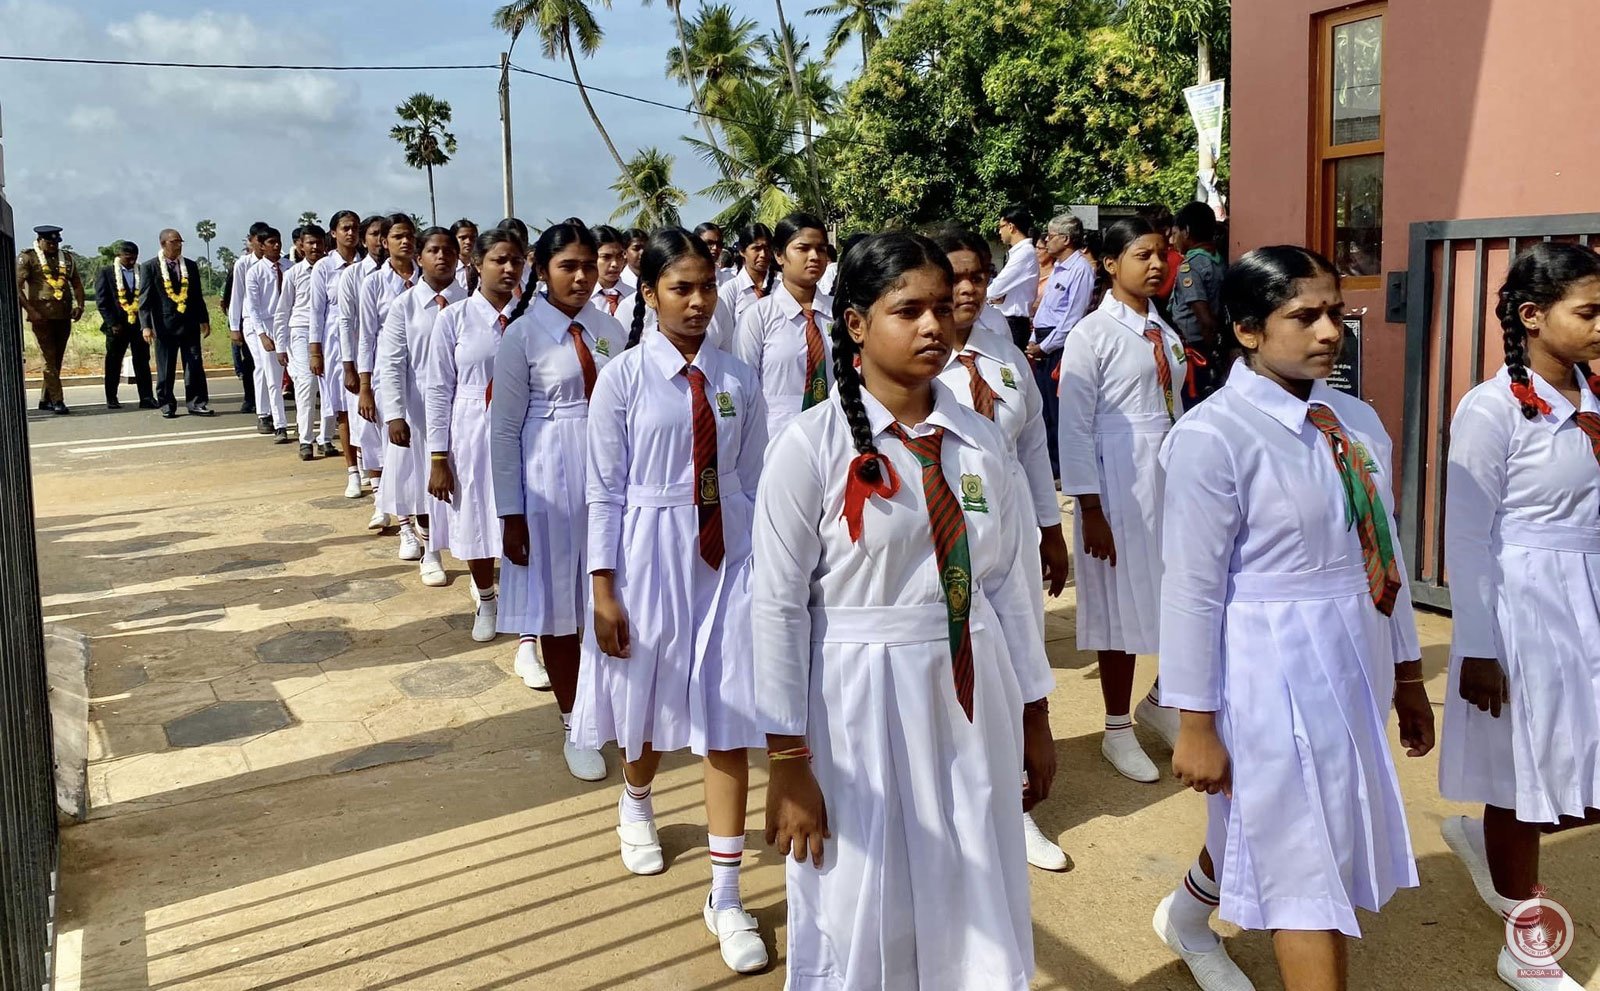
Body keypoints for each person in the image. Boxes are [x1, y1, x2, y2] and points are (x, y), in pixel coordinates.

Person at [754, 232, 1055, 990]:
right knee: (867, 893)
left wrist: (1034, 712)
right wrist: (787, 760)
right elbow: (779, 608)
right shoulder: (809, 446)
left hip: (971, 691)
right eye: (908, 310)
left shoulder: (979, 440)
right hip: (858, 699)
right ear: (856, 324)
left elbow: (1006, 586)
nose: (933, 326)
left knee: (974, 875)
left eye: (941, 309)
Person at [1156, 245, 1433, 991]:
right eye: (1304, 316)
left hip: (1352, 657)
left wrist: (1408, 673)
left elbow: (1383, 552)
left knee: (1294, 824)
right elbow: (1191, 591)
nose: (1330, 332)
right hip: (1265, 669)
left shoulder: (1354, 419)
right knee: (1303, 864)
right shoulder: (1214, 437)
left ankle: (1186, 914)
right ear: (1248, 330)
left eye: (1335, 312)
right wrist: (1194, 721)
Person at [572, 228, 769, 976]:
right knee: (646, 696)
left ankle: (727, 893)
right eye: (680, 288)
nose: (696, 301)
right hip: (648, 552)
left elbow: (755, 476)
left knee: (728, 712)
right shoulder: (623, 378)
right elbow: (603, 490)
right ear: (650, 293)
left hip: (726, 556)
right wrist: (602, 585)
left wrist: (766, 565)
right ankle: (637, 795)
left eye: (706, 286)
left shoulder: (736, 377)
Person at [1438, 242, 1600, 991]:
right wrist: (1476, 645)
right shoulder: (1492, 408)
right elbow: (1468, 536)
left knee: (1578, 762)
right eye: (1589, 311)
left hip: (1587, 596)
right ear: (1532, 316)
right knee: (1523, 775)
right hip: (1524, 605)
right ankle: (1525, 940)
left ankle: (1485, 840)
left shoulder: (1593, 401)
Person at [931, 225, 1073, 872]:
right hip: (945, 522)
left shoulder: (1004, 351)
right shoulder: (918, 357)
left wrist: (1050, 527)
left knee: (1015, 653)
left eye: (978, 275)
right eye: (955, 276)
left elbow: (1033, 443)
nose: (968, 288)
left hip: (1009, 519)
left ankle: (1013, 807)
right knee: (951, 664)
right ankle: (950, 803)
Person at [491, 222, 620, 782]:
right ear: (541, 271)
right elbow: (503, 430)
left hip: (609, 478)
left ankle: (613, 705)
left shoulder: (609, 329)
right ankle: (574, 722)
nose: (582, 277)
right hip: (549, 484)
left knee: (609, 595)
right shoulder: (523, 336)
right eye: (568, 266)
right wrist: (511, 512)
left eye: (589, 265)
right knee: (559, 608)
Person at [1057, 217, 1184, 783]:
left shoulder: (1163, 330)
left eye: (1161, 254)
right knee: (1118, 603)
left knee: (1179, 594)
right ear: (1110, 265)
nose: (1156, 264)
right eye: (1142, 255)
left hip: (1166, 478)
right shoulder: (1092, 335)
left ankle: (1162, 700)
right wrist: (1090, 508)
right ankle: (1116, 728)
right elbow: (1074, 427)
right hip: (1117, 485)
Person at [425, 228, 516, 644]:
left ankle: (521, 599)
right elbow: (438, 388)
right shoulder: (454, 318)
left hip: (522, 428)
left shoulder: (531, 316)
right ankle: (487, 598)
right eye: (499, 260)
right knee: (476, 515)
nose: (509, 268)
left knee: (518, 515)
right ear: (477, 264)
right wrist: (438, 457)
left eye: (516, 260)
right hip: (472, 429)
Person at [378, 227, 464, 586]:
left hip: (462, 409)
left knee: (464, 483)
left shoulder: (470, 302)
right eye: (433, 251)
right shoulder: (405, 305)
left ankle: (471, 553)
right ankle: (430, 552)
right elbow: (392, 362)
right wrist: (395, 414)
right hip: (420, 409)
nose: (441, 257)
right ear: (419, 258)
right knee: (423, 483)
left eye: (448, 251)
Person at [732, 211, 834, 444]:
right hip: (775, 440)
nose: (814, 256)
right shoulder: (758, 316)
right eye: (803, 248)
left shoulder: (839, 314)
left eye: (821, 249)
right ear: (779, 255)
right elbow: (744, 388)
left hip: (832, 437)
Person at [359, 215, 421, 533]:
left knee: (423, 450)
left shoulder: (427, 279)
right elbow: (366, 336)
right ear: (385, 242)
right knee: (395, 449)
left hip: (425, 375)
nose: (405, 241)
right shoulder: (374, 283)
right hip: (389, 376)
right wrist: (365, 387)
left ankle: (427, 522)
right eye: (398, 236)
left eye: (409, 235)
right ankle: (406, 528)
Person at [1030, 214, 1097, 479]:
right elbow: (1046, 309)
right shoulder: (1059, 268)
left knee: (1059, 411)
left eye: (1050, 236)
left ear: (1066, 239)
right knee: (1043, 409)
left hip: (1058, 346)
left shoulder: (1080, 270)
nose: (1046, 241)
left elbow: (1071, 318)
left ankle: (1062, 469)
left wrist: (1045, 347)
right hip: (1043, 341)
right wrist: (1034, 339)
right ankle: (1049, 466)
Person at [309, 210, 364, 493]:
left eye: (355, 228)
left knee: (366, 407)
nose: (351, 233)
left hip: (364, 341)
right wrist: (315, 351)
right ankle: (352, 470)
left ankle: (369, 463)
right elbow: (316, 311)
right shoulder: (324, 267)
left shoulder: (368, 264)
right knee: (343, 409)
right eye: (345, 228)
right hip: (334, 345)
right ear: (334, 233)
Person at [138, 228, 213, 418]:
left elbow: (197, 296)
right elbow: (144, 299)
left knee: (194, 364)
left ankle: (197, 402)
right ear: (163, 244)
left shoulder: (190, 266)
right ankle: (166, 404)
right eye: (174, 242)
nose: (178, 245)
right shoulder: (150, 267)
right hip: (164, 326)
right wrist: (146, 326)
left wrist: (204, 320)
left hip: (189, 324)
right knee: (166, 367)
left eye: (180, 241)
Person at [340, 216, 389, 502]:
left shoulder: (410, 275)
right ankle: (374, 492)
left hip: (396, 363)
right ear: (363, 239)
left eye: (385, 234)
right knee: (367, 428)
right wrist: (350, 367)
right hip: (365, 362)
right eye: (374, 234)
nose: (380, 240)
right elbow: (347, 323)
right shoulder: (354, 275)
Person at [275, 225, 331, 460]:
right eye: (310, 243)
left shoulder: (332, 270)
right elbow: (283, 310)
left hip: (328, 331)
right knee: (307, 385)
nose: (315, 247)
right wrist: (280, 345)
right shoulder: (294, 273)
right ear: (301, 246)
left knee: (329, 386)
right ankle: (306, 440)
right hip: (301, 331)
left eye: (319, 242)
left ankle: (326, 438)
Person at [17, 224, 85, 414]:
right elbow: (17, 287)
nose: (53, 246)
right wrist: (30, 311)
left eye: (56, 242)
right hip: (41, 317)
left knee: (57, 359)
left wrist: (80, 306)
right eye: (49, 242)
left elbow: (77, 284)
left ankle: (45, 399)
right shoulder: (28, 257)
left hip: (63, 315)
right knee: (48, 358)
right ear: (39, 241)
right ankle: (57, 400)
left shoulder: (67, 258)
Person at [1169, 202, 1227, 405]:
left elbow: (1203, 317)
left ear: (1186, 231)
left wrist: (1210, 355)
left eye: (1175, 233)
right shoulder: (1218, 259)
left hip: (1195, 347)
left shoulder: (1191, 265)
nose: (1173, 240)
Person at [94, 240, 156, 410]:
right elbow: (102, 301)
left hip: (139, 326)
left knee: (142, 361)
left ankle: (146, 397)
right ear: (119, 255)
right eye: (128, 258)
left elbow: (148, 297)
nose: (131, 261)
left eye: (134, 258)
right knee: (113, 362)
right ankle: (112, 398)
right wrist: (112, 323)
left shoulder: (142, 271)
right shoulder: (106, 272)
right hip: (117, 327)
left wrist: (148, 324)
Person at [245, 228, 293, 444]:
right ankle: (280, 425)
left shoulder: (290, 267)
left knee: (301, 377)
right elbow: (253, 308)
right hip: (269, 325)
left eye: (278, 241)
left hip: (290, 324)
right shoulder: (255, 272)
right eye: (271, 242)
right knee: (273, 379)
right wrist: (262, 335)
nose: (276, 246)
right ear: (262, 246)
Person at [710, 224, 775, 351]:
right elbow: (722, 335)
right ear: (742, 251)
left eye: (767, 248)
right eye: (756, 248)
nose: (763, 254)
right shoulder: (731, 290)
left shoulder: (780, 287)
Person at [987, 204, 1040, 351]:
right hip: (1009, 321)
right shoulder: (1017, 253)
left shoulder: (1025, 253)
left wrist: (990, 297)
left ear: (1010, 227)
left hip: (1014, 323)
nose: (999, 231)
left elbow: (995, 289)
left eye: (1001, 226)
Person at [227, 225, 268, 416]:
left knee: (270, 365)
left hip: (270, 321)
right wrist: (234, 327)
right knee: (253, 362)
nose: (263, 245)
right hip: (249, 321)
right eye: (259, 240)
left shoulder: (278, 263)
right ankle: (252, 401)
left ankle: (269, 403)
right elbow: (236, 295)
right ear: (251, 241)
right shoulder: (243, 264)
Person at [590, 225, 636, 318]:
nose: (615, 264)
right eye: (606, 257)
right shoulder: (582, 299)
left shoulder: (635, 297)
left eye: (619, 256)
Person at [694, 222, 733, 287]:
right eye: (709, 243)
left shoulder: (730, 280)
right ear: (695, 244)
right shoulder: (684, 276)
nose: (715, 248)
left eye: (719, 244)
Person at [450, 218, 478, 292]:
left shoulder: (482, 267)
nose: (468, 242)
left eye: (472, 238)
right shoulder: (448, 269)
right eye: (463, 238)